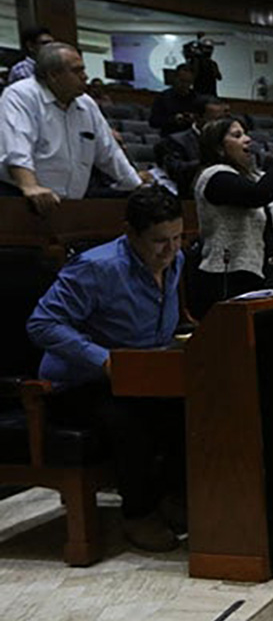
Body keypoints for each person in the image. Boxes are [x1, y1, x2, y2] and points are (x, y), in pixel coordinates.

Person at [26, 185, 187, 552]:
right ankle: (138, 514)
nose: (171, 250)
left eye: (178, 238)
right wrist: (102, 358)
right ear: (131, 234)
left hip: (144, 375)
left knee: (196, 406)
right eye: (159, 241)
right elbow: (42, 323)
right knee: (129, 417)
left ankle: (173, 499)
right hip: (79, 383)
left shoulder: (176, 260)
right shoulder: (97, 268)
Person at [0, 42, 147, 214]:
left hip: (70, 203)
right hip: (22, 198)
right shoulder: (20, 95)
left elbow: (109, 152)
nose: (85, 76)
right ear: (53, 75)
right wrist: (30, 186)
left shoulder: (86, 103)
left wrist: (136, 185)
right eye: (77, 71)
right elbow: (17, 149)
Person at [190, 118, 273, 318]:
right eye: (237, 136)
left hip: (267, 272)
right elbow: (259, 195)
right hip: (231, 277)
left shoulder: (252, 177)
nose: (247, 140)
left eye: (245, 133)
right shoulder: (214, 177)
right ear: (219, 148)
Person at [155, 96, 230, 198]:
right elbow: (176, 171)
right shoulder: (176, 141)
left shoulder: (230, 140)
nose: (221, 125)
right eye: (215, 120)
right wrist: (208, 162)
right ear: (198, 118)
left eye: (223, 119)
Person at [148, 64, 201, 135]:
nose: (184, 85)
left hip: (191, 139)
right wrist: (173, 120)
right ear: (175, 78)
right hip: (169, 138)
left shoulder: (198, 99)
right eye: (181, 81)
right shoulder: (163, 97)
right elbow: (153, 122)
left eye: (188, 82)